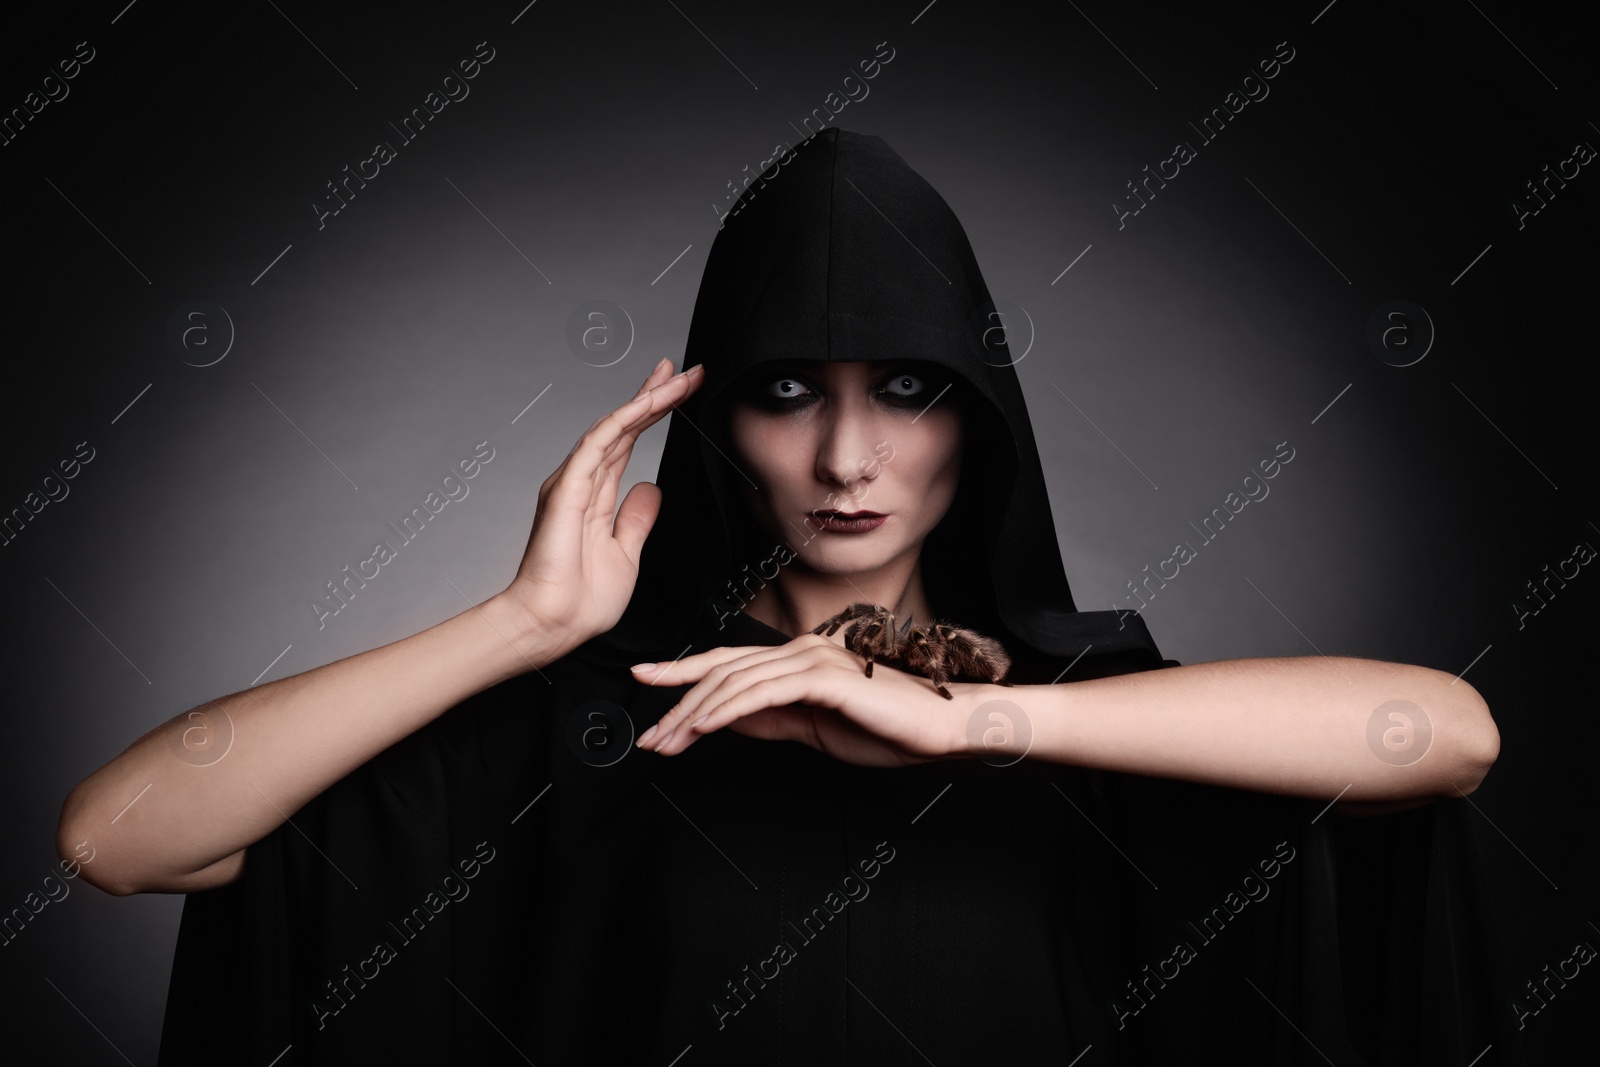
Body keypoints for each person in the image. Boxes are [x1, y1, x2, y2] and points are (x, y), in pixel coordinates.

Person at [60, 128, 1511, 1064]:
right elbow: (118, 839)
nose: (846, 455)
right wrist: (523, 627)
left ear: (978, 417)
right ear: (713, 426)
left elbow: (1446, 735)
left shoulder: (1099, 719)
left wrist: (973, 730)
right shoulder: (588, 729)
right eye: (783, 393)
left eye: (905, 390)